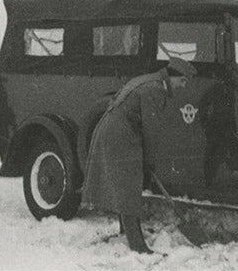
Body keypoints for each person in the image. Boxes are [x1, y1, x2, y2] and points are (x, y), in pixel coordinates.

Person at [82, 57, 197, 253]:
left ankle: (126, 231)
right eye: (183, 81)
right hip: (119, 134)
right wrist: (150, 160)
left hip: (116, 130)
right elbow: (150, 130)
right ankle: (137, 245)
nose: (183, 86)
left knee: (124, 185)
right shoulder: (155, 89)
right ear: (174, 76)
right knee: (129, 186)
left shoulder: (151, 81)